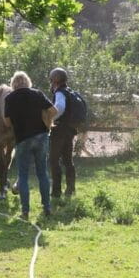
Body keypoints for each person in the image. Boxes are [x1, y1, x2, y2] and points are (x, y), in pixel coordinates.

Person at [4, 71, 57, 220]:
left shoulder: (9, 98)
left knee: (23, 175)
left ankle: (25, 212)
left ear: (13, 84)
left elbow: (7, 122)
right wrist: (47, 124)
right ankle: (47, 208)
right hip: (41, 137)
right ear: (28, 82)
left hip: (22, 140)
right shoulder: (37, 94)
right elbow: (54, 110)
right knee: (42, 173)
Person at [48, 67, 77, 198]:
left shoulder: (60, 93)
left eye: (51, 80)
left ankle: (56, 191)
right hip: (69, 131)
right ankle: (71, 189)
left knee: (54, 161)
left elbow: (60, 107)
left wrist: (49, 118)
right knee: (68, 161)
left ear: (55, 80)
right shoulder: (69, 91)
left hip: (59, 131)